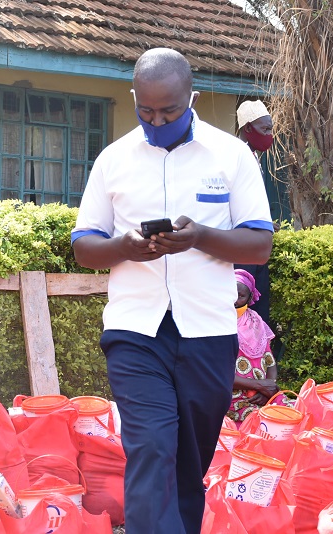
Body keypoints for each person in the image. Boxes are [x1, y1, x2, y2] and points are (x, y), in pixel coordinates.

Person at [71, 48, 273, 534]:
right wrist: (123, 246)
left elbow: (260, 243)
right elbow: (83, 246)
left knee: (189, 458)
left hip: (207, 328)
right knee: (152, 446)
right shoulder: (114, 159)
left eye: (169, 112)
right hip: (134, 329)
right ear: (135, 98)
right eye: (146, 112)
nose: (157, 122)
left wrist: (201, 236)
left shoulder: (231, 154)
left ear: (193, 98)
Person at [233, 99, 275, 326]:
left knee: (259, 307)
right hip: (241, 243)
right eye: (265, 129)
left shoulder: (253, 156)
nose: (269, 135)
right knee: (242, 303)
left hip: (256, 241)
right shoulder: (234, 156)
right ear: (248, 128)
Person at [228, 269, 288, 426]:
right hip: (229, 394)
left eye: (241, 296)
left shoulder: (256, 322)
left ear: (250, 298)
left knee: (284, 414)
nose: (235, 300)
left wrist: (267, 390)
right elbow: (216, 374)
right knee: (259, 422)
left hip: (258, 393)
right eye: (231, 293)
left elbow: (270, 362)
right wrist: (259, 385)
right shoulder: (216, 323)